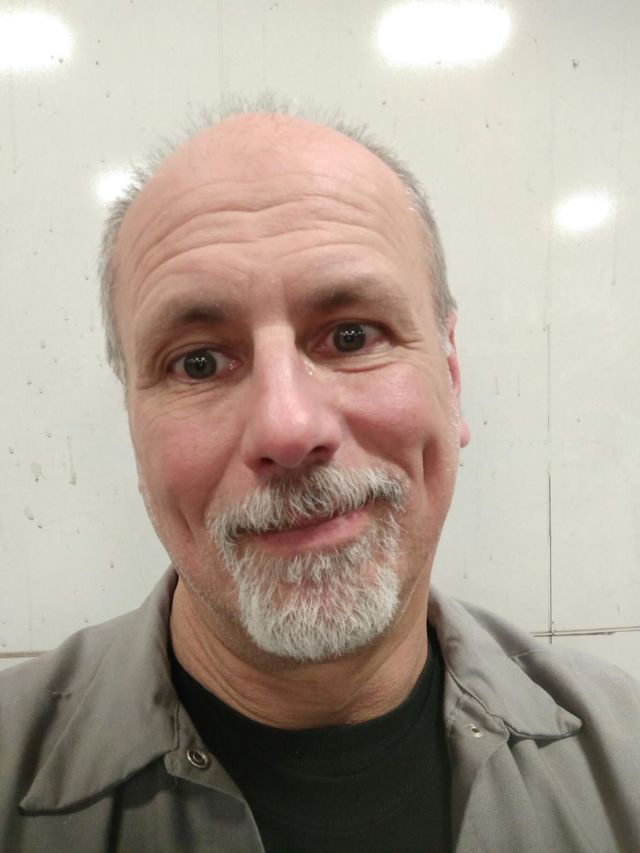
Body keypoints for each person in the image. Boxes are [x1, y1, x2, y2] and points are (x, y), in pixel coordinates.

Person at [1, 103, 639, 853]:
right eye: (198, 363)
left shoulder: (625, 758)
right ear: (134, 422)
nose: (287, 428)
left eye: (352, 336)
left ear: (451, 376)